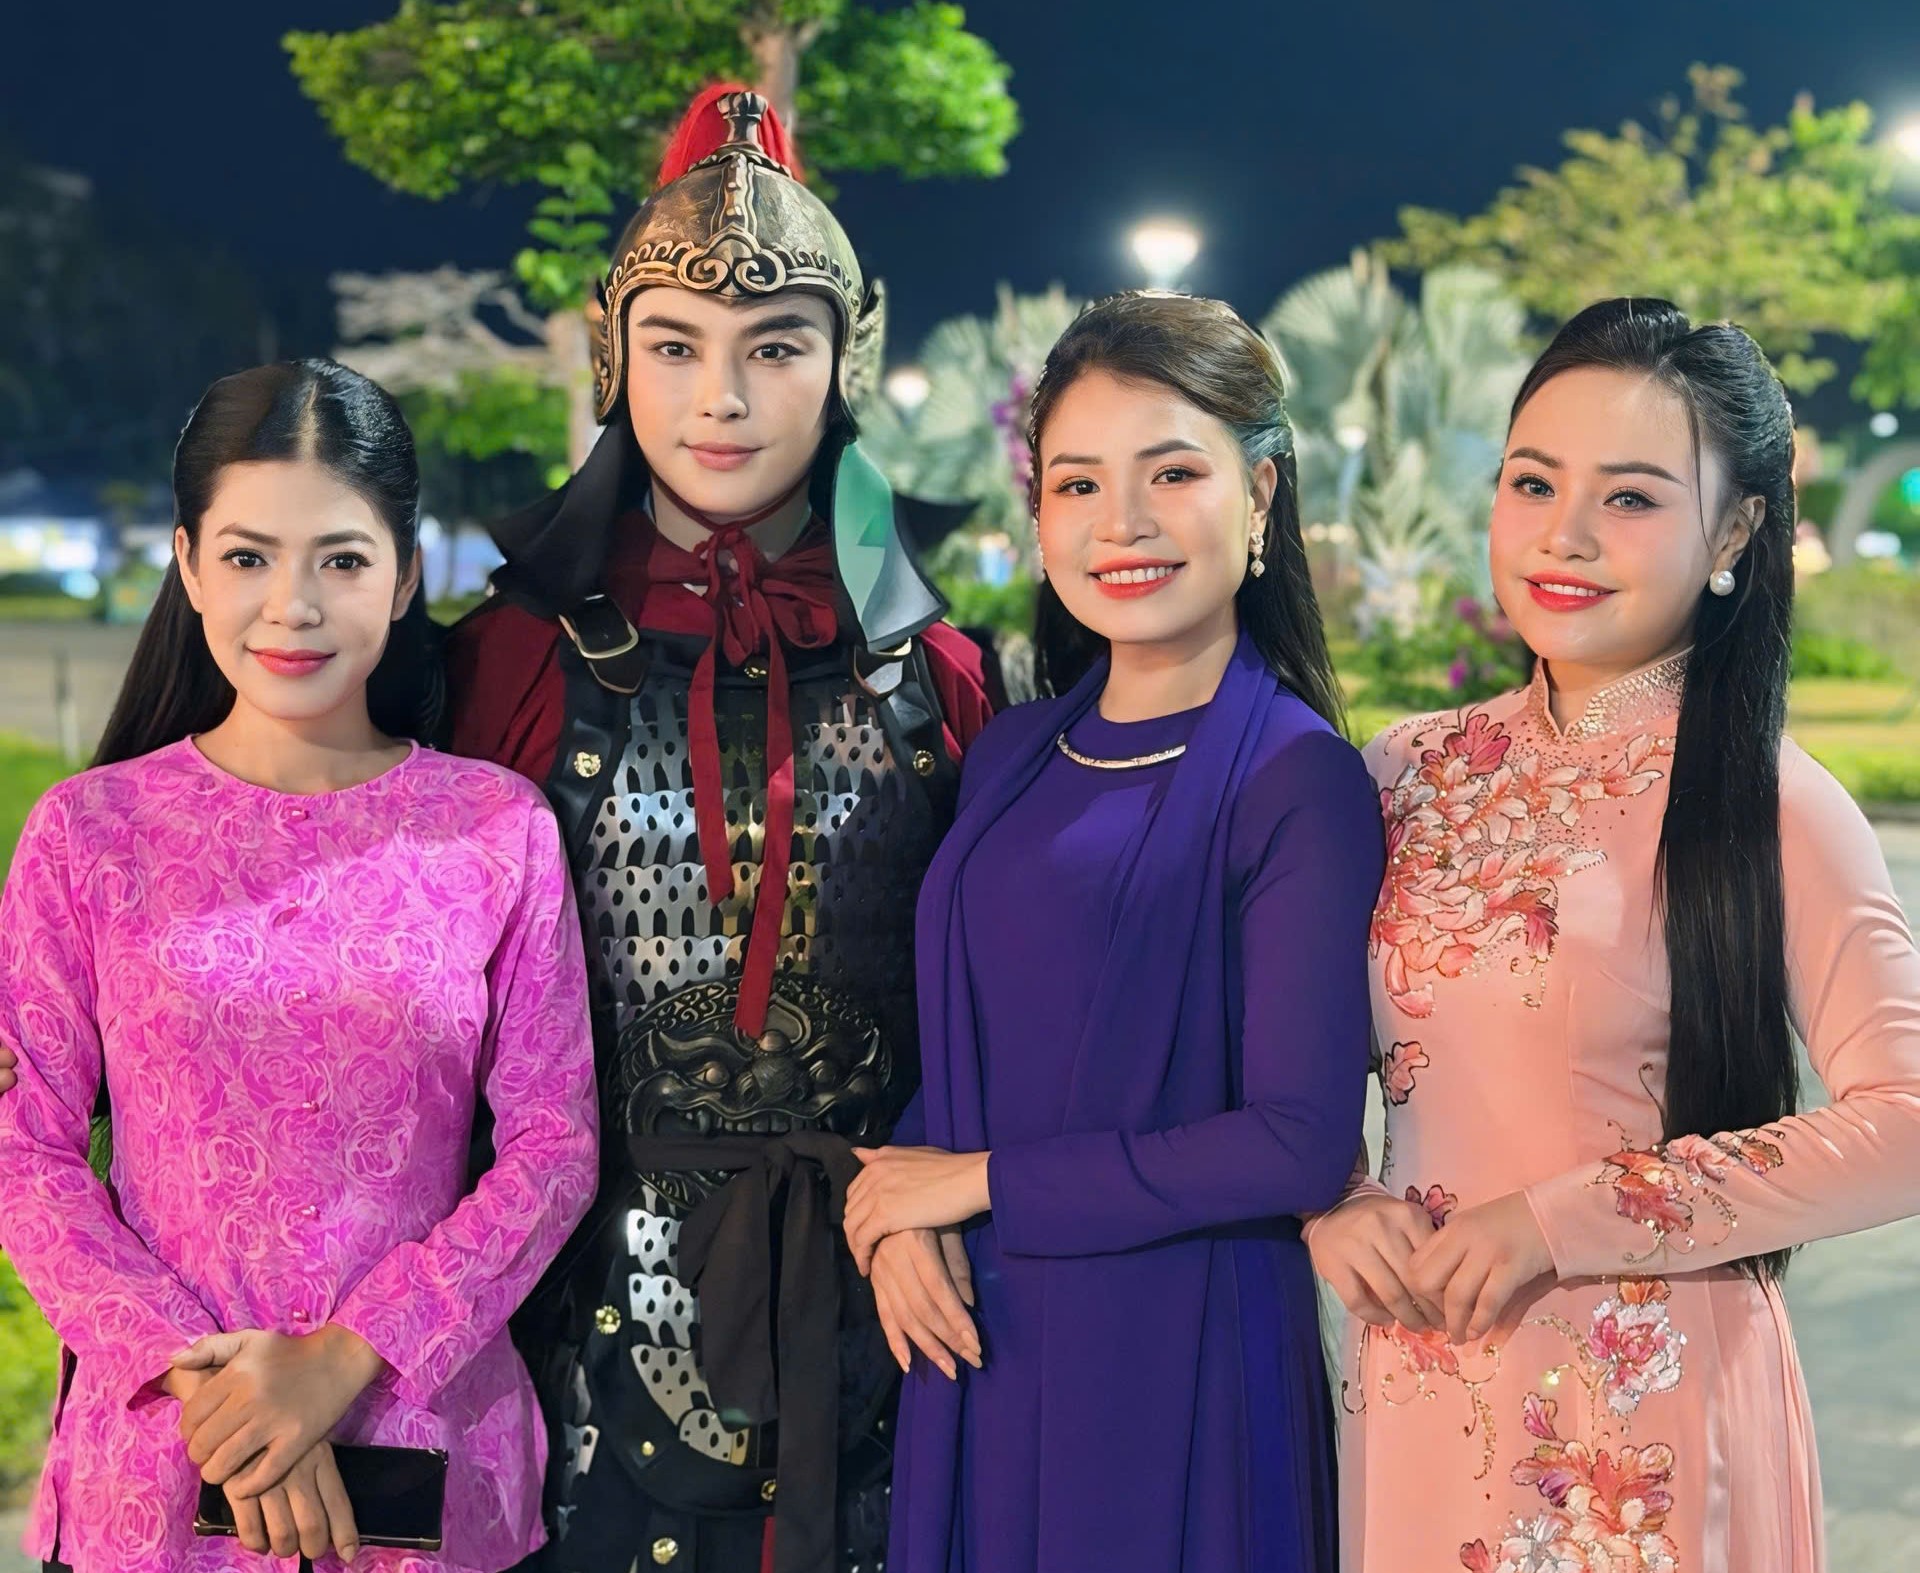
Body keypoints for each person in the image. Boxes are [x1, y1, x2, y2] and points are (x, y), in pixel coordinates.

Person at [443, 85, 994, 1573]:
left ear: (848, 356)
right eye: (677, 346)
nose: (723, 399)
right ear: (614, 355)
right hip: (578, 1305)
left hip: (889, 1299)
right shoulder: (505, 662)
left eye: (776, 347)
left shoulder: (938, 674)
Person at [1304, 298, 1920, 1573]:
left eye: (1631, 497)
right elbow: (1286, 1067)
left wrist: (1561, 1219)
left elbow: (1906, 1119)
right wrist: (1334, 1198)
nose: (1565, 535)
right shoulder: (1403, 773)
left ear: (1735, 531)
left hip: (1641, 1416)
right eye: (1533, 482)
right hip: (1413, 1378)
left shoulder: (1772, 800)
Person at [0, 359, 598, 1573]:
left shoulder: (497, 828)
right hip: (159, 1473)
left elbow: (554, 1148)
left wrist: (342, 1359)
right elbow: (26, 1150)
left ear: (406, 572)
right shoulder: (88, 834)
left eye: (341, 559)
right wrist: (217, 1395)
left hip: (425, 1465)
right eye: (248, 556)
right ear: (187, 564)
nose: (294, 606)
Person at [843, 292, 1382, 1573]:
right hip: (979, 1343)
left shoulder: (1296, 778)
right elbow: (982, 1033)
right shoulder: (1015, 751)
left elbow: (1298, 1142)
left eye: (1173, 473)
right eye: (1077, 482)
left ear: (1260, 496)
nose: (1120, 522)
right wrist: (900, 1208)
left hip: (1173, 1357)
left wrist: (973, 1183)